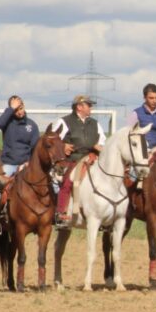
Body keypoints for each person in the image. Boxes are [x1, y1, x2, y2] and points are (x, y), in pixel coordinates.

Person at [0, 95, 40, 235]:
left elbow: (35, 147)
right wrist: (10, 109)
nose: (20, 111)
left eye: (21, 107)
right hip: (9, 163)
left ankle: (45, 217)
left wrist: (29, 162)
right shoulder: (7, 122)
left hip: (26, 164)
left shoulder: (32, 125)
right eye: (16, 109)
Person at [53, 94, 106, 227]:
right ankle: (61, 213)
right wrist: (63, 146)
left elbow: (101, 142)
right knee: (68, 181)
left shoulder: (95, 123)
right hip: (73, 159)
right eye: (89, 105)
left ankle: (106, 215)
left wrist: (100, 151)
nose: (91, 108)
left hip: (92, 159)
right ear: (79, 107)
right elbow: (52, 141)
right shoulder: (64, 122)